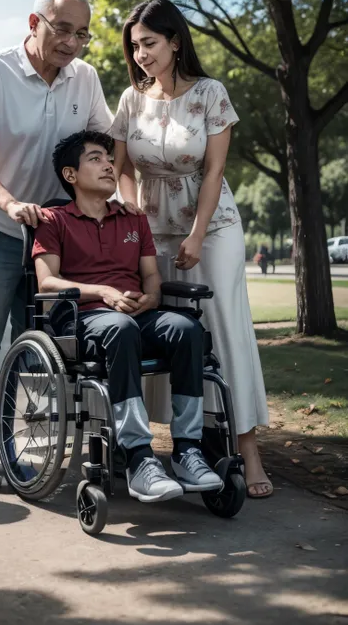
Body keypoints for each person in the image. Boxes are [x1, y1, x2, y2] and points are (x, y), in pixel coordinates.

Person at [0, 0, 114, 489]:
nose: (71, 43)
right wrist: (6, 201)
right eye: (63, 29)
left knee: (45, 342)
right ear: (34, 23)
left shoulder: (84, 78)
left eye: (82, 34)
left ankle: (22, 448)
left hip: (56, 232)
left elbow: (103, 144)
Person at [111, 0, 272, 499]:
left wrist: (198, 235)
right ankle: (184, 445)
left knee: (221, 325)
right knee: (169, 329)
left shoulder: (210, 94)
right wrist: (135, 228)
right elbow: (122, 171)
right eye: (135, 46)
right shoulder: (130, 100)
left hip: (212, 224)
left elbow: (215, 171)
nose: (140, 54)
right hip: (149, 227)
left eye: (150, 43)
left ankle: (248, 450)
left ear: (176, 41)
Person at [32, 130, 224, 502]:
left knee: (186, 328)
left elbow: (151, 275)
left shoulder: (133, 220)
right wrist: (103, 292)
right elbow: (47, 281)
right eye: (95, 159)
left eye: (109, 158)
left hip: (134, 314)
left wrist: (151, 297)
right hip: (82, 318)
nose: (108, 165)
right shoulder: (54, 220)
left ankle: (187, 450)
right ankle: (138, 457)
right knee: (119, 328)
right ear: (70, 175)